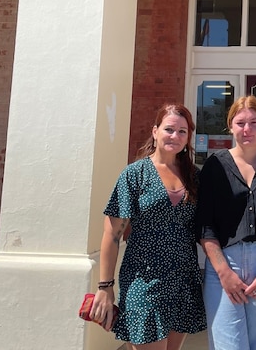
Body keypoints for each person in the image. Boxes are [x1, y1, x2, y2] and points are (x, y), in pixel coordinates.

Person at [90, 103, 207, 350]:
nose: (175, 136)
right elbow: (112, 234)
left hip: (183, 279)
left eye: (182, 131)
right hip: (143, 280)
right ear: (155, 132)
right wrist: (105, 287)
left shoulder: (194, 177)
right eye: (169, 129)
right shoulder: (135, 174)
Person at [195, 95, 256, 350]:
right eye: (240, 123)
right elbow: (204, 226)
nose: (247, 129)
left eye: (254, 122)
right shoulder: (215, 166)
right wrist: (224, 273)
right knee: (229, 345)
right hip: (224, 264)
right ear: (230, 126)